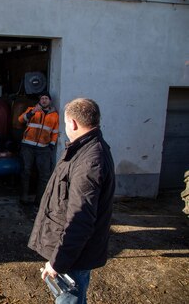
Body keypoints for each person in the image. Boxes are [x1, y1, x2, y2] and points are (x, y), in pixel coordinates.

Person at [28, 98, 115, 304]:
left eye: (65, 123)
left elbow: (80, 220)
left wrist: (58, 263)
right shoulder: (84, 149)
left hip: (74, 259)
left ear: (73, 123)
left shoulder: (89, 161)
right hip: (72, 253)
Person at [18, 91, 59, 209]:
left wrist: (51, 144)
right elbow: (21, 119)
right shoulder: (31, 109)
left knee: (44, 175)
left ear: (50, 101)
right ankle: (24, 197)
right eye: (42, 98)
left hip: (43, 148)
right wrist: (32, 112)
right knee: (26, 171)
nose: (44, 100)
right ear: (39, 100)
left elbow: (55, 132)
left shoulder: (55, 115)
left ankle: (39, 200)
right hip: (28, 146)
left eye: (46, 98)